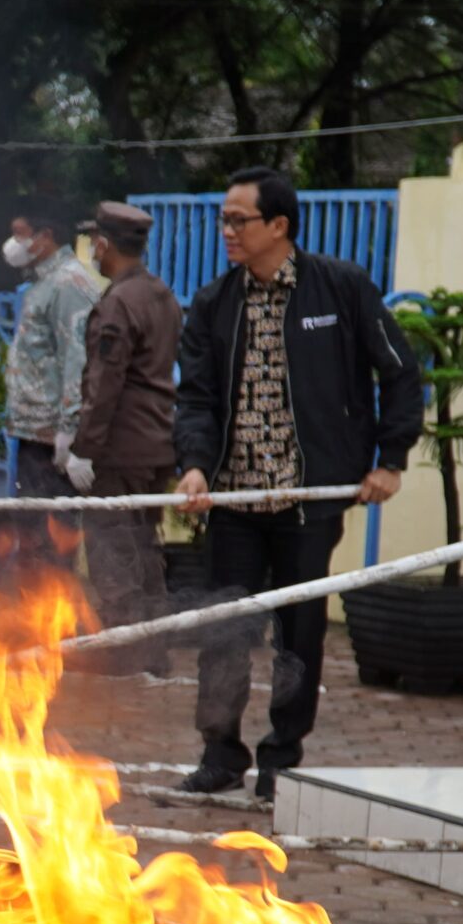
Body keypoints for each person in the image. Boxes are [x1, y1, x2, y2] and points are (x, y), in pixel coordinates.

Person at [174, 168, 421, 801]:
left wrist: (389, 458)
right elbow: (196, 397)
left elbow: (398, 373)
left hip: (310, 499)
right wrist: (196, 464)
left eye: (238, 220)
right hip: (232, 498)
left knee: (299, 631)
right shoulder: (214, 303)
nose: (226, 231)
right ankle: (220, 752)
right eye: (223, 219)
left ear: (278, 226)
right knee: (224, 629)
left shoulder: (341, 289)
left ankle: (281, 757)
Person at [66, 201, 181, 667]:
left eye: (95, 241)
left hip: (120, 447)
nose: (94, 249)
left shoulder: (117, 303)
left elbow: (105, 383)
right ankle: (153, 650)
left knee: (114, 549)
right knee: (145, 548)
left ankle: (124, 651)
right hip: (156, 445)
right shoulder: (162, 295)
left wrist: (84, 450)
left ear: (104, 244)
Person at [0, 202, 101, 585]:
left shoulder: (69, 283)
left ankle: (52, 630)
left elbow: (78, 358)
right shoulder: (45, 282)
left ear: (45, 237)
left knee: (51, 543)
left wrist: (69, 430)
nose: (13, 243)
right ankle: (35, 624)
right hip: (33, 433)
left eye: (21, 233)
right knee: (32, 538)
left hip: (51, 439)